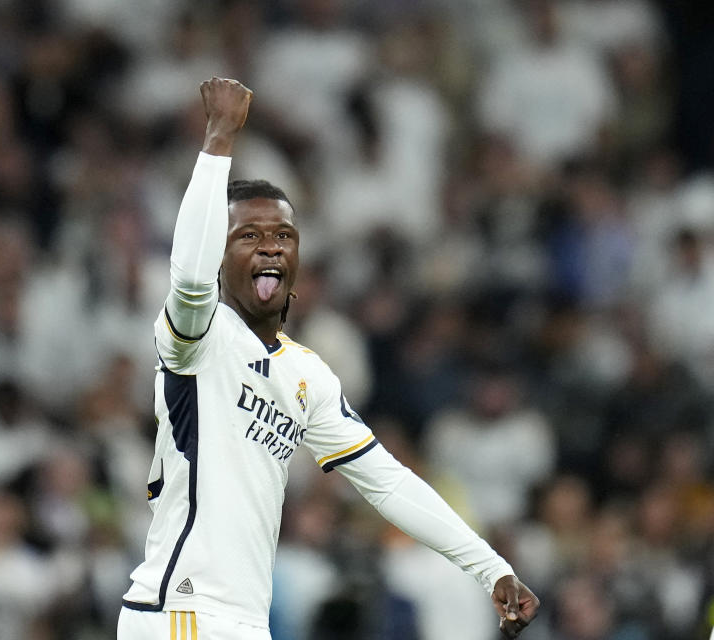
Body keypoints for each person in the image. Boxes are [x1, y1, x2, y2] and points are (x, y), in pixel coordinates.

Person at [118, 77, 539, 639]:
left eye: (284, 235)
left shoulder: (306, 374)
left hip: (242, 620)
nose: (270, 246)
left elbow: (387, 482)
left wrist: (490, 568)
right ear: (219, 253)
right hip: (178, 615)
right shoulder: (201, 336)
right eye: (248, 236)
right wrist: (219, 137)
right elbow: (191, 282)